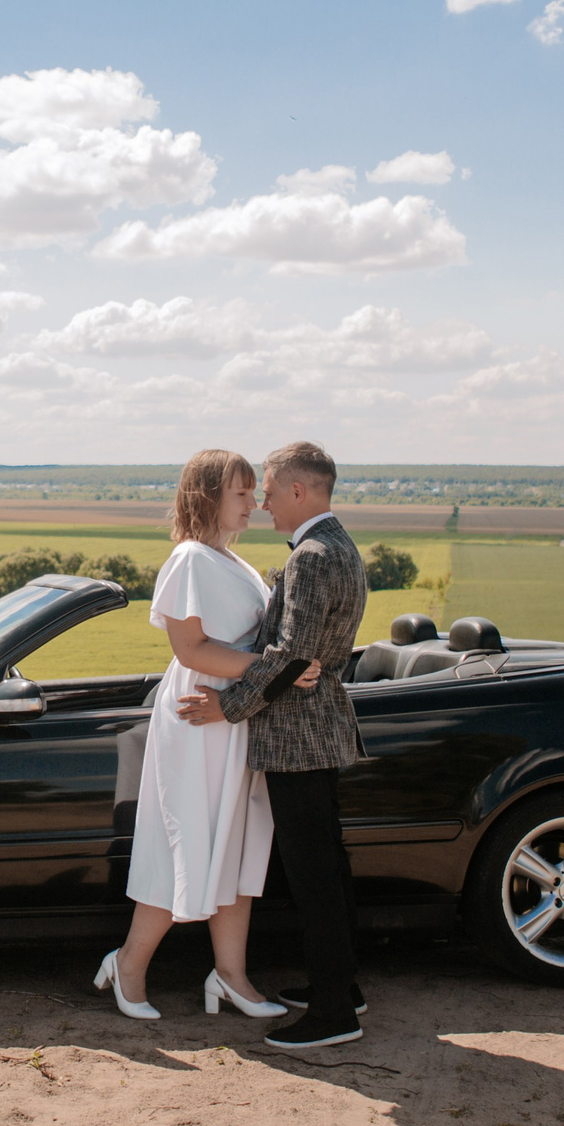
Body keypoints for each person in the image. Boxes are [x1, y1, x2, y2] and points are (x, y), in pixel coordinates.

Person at [94, 449, 320, 1022]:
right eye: (241, 494)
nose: (254, 503)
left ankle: (232, 977)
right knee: (186, 842)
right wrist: (277, 669)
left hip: (234, 716)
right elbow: (190, 650)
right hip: (200, 714)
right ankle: (128, 965)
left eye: (253, 493)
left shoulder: (232, 561)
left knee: (238, 848)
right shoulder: (190, 559)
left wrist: (267, 674)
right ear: (208, 498)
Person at [176, 440, 371, 1050]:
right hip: (317, 727)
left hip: (297, 735)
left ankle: (335, 1012)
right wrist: (291, 665)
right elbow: (296, 658)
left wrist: (225, 707)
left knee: (314, 875)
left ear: (298, 491)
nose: (260, 503)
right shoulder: (338, 544)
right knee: (327, 869)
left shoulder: (312, 556)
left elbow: (290, 659)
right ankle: (342, 986)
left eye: (265, 489)